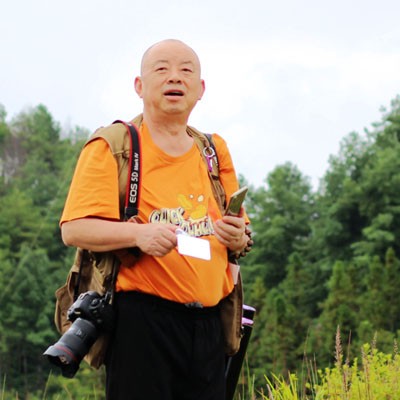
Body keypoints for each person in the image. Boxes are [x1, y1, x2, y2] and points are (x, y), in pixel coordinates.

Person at [60, 39, 251, 400]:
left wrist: (237, 236)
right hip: (142, 322)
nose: (174, 77)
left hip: (210, 322)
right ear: (139, 86)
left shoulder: (213, 150)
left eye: (186, 70)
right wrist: (138, 236)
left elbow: (241, 235)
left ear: (201, 89)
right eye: (161, 69)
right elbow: (74, 229)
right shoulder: (114, 145)